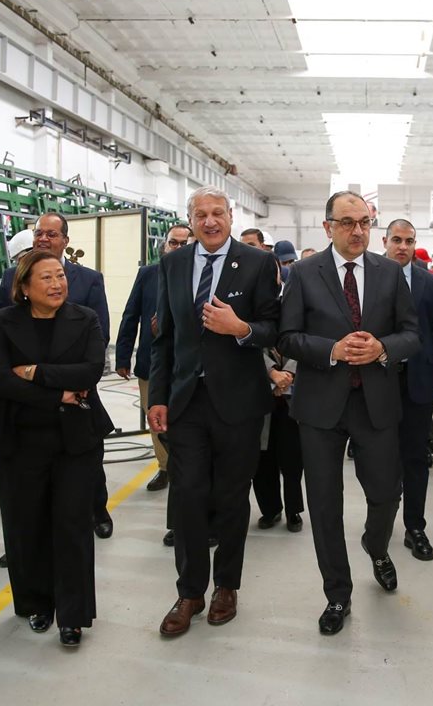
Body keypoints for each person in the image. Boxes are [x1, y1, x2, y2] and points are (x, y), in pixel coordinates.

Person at [278, 190, 419, 635]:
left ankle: (376, 546)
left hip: (375, 403)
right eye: (347, 223)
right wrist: (332, 350)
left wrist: (383, 348)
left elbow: (412, 333)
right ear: (328, 227)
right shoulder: (304, 273)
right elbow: (287, 336)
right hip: (320, 406)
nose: (358, 231)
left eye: (364, 222)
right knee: (324, 504)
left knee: (386, 493)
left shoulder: (389, 272)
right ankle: (337, 594)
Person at [147, 187, 280, 637]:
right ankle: (189, 592)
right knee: (187, 495)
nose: (210, 221)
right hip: (187, 401)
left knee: (230, 497)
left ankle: (226, 586)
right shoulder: (173, 264)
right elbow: (165, 338)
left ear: (230, 217)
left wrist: (240, 328)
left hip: (238, 402)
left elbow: (274, 328)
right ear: (190, 220)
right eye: (200, 214)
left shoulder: (257, 263)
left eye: (217, 213)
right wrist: (158, 396)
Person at [0, 249, 113, 648]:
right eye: (47, 278)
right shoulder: (3, 321)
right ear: (23, 287)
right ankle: (38, 602)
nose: (57, 284)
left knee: (72, 525)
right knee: (27, 524)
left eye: (60, 276)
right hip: (19, 438)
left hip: (74, 439)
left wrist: (35, 372)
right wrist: (58, 393)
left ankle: (73, 616)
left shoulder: (84, 319)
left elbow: (90, 370)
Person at [0, 213, 114, 539]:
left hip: (77, 394)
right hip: (29, 402)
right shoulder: (13, 276)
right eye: (39, 233)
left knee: (85, 462)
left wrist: (40, 372)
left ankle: (97, 510)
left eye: (51, 234)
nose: (43, 239)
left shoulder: (88, 279)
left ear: (65, 240)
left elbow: (99, 338)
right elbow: (3, 337)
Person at [383, 219, 433, 561]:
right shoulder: (369, 278)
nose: (403, 246)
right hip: (377, 381)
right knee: (379, 460)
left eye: (409, 241)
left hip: (419, 383)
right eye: (397, 240)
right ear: (385, 242)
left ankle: (415, 527)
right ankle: (380, 524)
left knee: (414, 459)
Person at [115, 223, 193, 492]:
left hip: (188, 365)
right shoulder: (148, 275)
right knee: (156, 417)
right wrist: (122, 357)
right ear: (164, 245)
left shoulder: (200, 274)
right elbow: (131, 315)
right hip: (152, 363)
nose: (178, 248)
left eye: (184, 243)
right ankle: (165, 467)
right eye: (174, 242)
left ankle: (187, 467)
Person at [253, 344, 304, 533]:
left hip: (292, 400)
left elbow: (301, 345)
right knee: (262, 458)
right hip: (258, 397)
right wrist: (272, 375)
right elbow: (249, 345)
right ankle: (270, 510)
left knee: (292, 458)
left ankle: (293, 510)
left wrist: (288, 375)